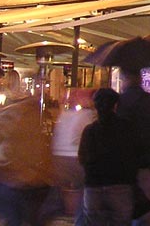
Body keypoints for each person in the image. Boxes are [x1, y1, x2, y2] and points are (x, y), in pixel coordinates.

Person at [78, 88, 145, 226]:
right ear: (115, 105)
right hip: (120, 186)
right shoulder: (127, 128)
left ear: (95, 106)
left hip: (94, 187)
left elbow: (83, 158)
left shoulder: (90, 131)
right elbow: (136, 154)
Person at [115, 68, 150, 221]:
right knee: (143, 208)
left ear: (126, 79)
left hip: (121, 163)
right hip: (146, 161)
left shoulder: (118, 102)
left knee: (121, 208)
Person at [0, 93, 53, 226]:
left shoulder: (12, 118)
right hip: (33, 181)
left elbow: (6, 150)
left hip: (15, 181)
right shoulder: (36, 121)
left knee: (14, 216)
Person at [51, 89, 97, 226]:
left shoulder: (65, 115)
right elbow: (77, 139)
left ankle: (62, 215)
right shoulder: (87, 116)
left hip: (59, 156)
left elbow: (58, 135)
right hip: (75, 157)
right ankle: (78, 219)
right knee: (85, 190)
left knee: (62, 190)